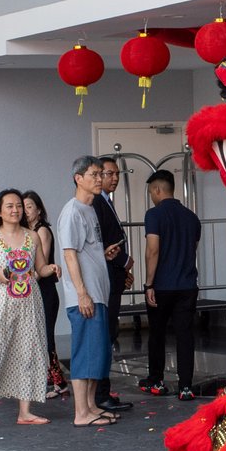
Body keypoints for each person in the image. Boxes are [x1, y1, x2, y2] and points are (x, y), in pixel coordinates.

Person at [0, 190, 54, 433]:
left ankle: (25, 412)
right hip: (1, 303)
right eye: (9, 206)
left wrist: (52, 269)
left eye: (18, 206)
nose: (15, 210)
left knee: (28, 353)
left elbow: (40, 268)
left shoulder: (33, 237)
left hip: (30, 302)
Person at [57, 156, 118, 426]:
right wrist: (81, 293)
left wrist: (103, 254)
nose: (99, 179)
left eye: (100, 174)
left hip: (98, 292)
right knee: (85, 352)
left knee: (98, 353)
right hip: (86, 295)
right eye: (94, 174)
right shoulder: (71, 212)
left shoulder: (90, 209)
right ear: (78, 178)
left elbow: (85, 251)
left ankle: (91, 406)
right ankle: (81, 413)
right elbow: (69, 255)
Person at [139, 170, 204, 399]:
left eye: (151, 192)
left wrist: (149, 284)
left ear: (157, 190)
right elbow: (192, 250)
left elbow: (152, 250)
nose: (151, 197)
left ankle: (156, 380)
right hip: (187, 285)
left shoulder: (154, 215)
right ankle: (185, 386)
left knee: (157, 334)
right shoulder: (192, 217)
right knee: (185, 335)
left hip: (162, 286)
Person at [91, 161, 133, 412]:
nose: (113, 178)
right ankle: (100, 393)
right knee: (106, 335)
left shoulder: (106, 200)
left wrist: (123, 272)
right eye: (108, 174)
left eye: (117, 173)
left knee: (111, 333)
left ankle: (103, 391)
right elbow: (105, 243)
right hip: (106, 276)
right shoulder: (96, 202)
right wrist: (125, 261)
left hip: (114, 275)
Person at [23, 189, 70, 399]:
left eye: (30, 206)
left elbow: (40, 265)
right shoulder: (25, 232)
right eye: (23, 207)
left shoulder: (42, 231)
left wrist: (24, 284)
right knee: (37, 337)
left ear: (39, 210)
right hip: (33, 289)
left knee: (46, 336)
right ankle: (50, 379)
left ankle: (59, 382)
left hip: (44, 290)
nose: (25, 211)